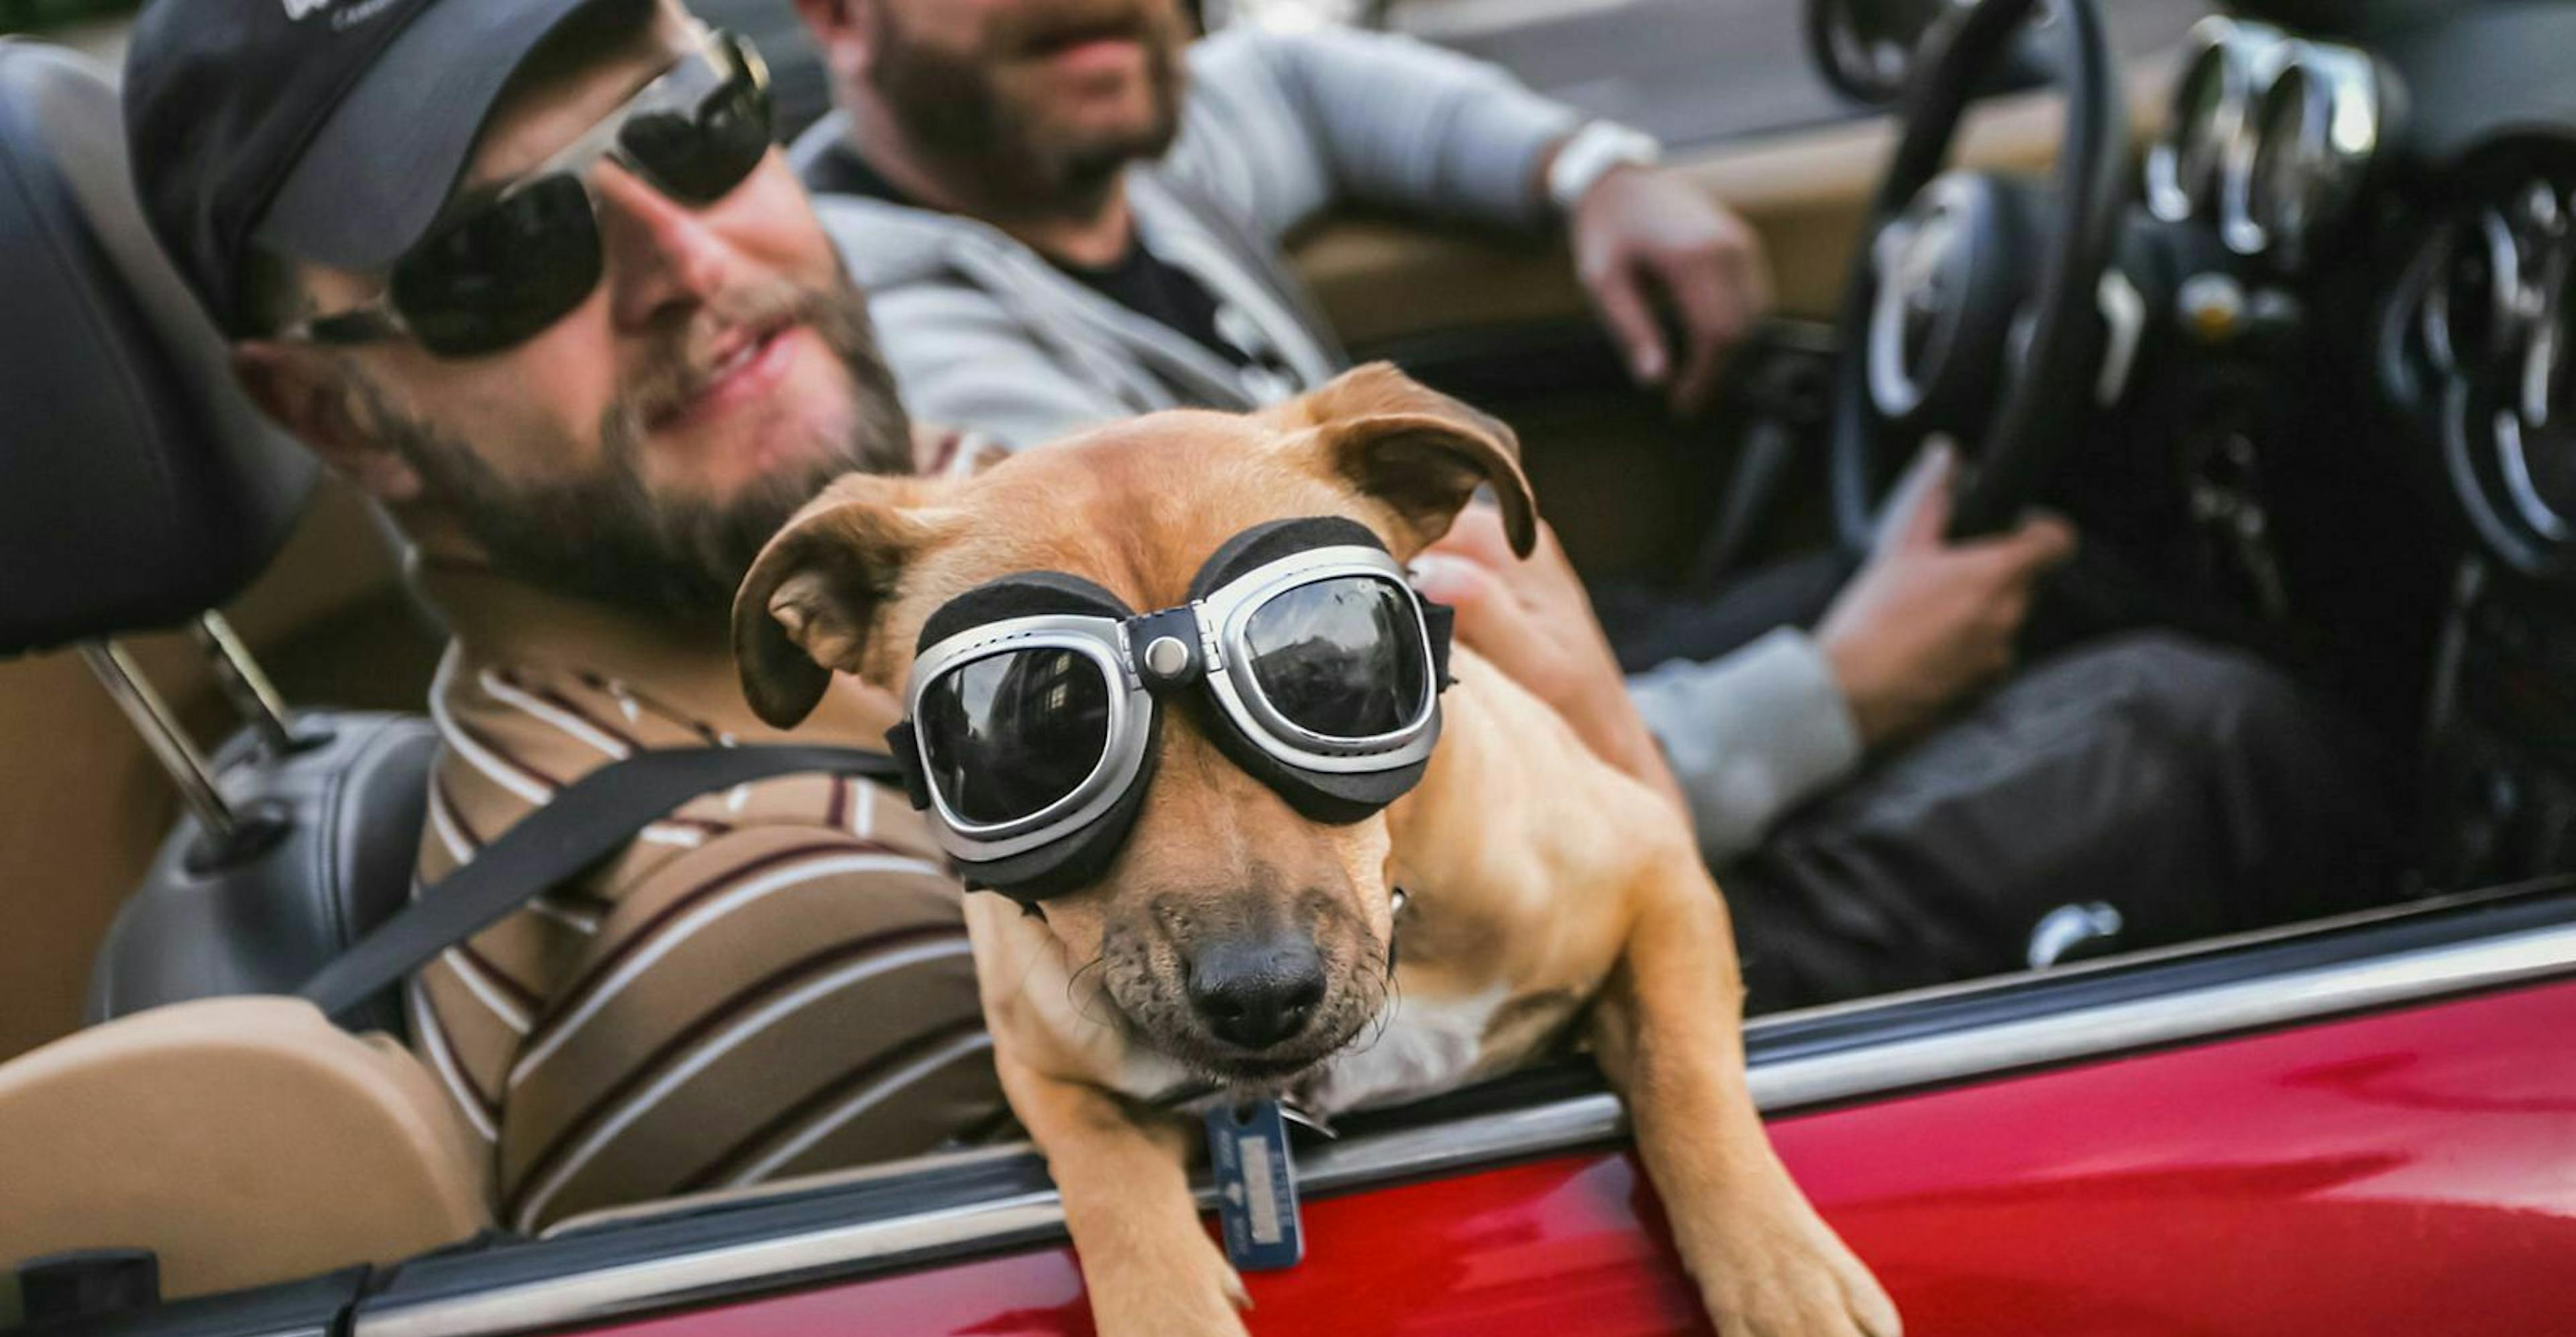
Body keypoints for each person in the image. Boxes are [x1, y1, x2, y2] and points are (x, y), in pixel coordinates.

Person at [790, 0, 2402, 1004]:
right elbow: (1357, 793)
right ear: (843, 16)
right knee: (2205, 731)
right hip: (1470, 902)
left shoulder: (1112, 150)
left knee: (2046, 575)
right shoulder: (973, 402)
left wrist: (1591, 172)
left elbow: (1307, 88)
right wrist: (1841, 688)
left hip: (1535, 671)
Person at [122, 0, 1010, 1231]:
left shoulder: (910, 521)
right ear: (337, 414)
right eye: (505, 248)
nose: (686, 262)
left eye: (691, 122)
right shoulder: (792, 944)